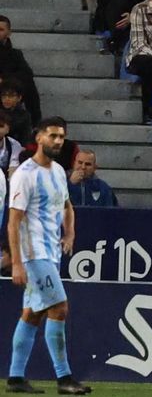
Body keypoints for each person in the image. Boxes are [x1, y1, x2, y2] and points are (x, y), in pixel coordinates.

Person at [6, 118, 88, 393]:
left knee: (32, 313)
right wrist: (17, 261)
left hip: (51, 251)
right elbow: (13, 221)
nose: (58, 141)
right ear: (39, 138)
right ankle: (64, 378)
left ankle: (16, 378)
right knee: (59, 306)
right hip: (33, 253)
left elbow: (67, 206)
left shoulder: (57, 172)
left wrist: (70, 234)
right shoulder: (25, 174)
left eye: (61, 137)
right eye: (52, 136)